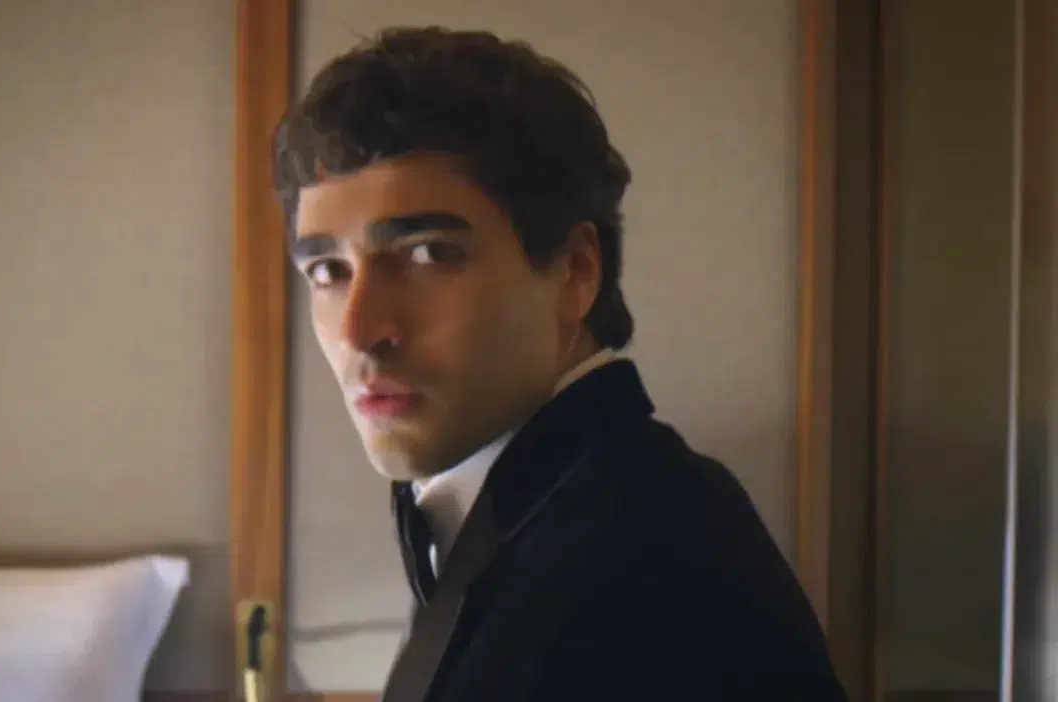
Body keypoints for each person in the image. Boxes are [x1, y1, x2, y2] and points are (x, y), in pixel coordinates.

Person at [272, 26, 847, 702]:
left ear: (575, 271)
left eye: (428, 254)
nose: (359, 330)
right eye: (327, 270)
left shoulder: (648, 565)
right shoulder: (534, 513)